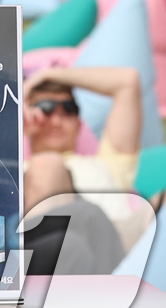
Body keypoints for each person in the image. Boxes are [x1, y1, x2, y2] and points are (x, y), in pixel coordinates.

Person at [23, 65, 145, 248]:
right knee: (48, 166)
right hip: (60, 247)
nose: (56, 121)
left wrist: (46, 75)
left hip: (119, 244)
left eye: (68, 109)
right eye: (45, 109)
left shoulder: (107, 163)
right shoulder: (11, 171)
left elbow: (127, 82)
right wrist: (19, 102)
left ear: (79, 125)